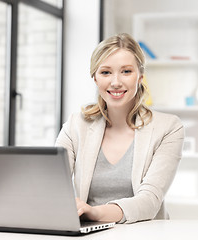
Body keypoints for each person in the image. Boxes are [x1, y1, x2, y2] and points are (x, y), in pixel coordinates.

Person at [55, 33, 184, 224]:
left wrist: (94, 212)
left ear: (140, 76)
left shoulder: (168, 128)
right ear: (95, 78)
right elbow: (51, 183)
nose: (115, 82)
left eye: (126, 71)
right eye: (106, 72)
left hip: (144, 233)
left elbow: (149, 201)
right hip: (88, 233)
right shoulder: (76, 125)